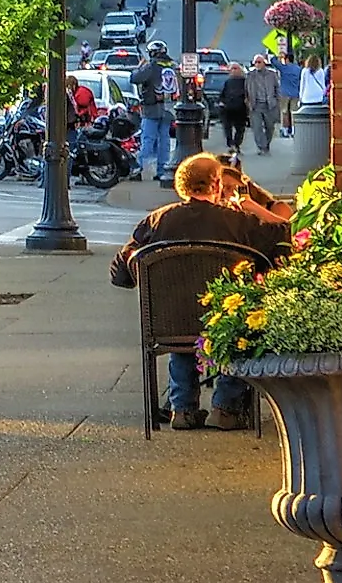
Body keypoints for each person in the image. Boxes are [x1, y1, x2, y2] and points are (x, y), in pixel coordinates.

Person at [110, 153, 290, 430]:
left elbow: (121, 270)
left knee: (181, 316)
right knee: (237, 327)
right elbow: (284, 234)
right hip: (224, 320)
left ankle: (182, 409)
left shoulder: (157, 220)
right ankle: (226, 407)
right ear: (216, 183)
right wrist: (250, 206)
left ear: (181, 186)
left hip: (170, 318)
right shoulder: (238, 222)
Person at [128, 43, 173, 182]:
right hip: (169, 108)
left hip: (152, 109)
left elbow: (134, 78)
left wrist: (140, 66)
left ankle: (138, 168)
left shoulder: (151, 66)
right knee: (164, 141)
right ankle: (162, 170)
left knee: (147, 140)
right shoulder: (172, 65)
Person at [244, 55, 281, 155]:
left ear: (264, 63)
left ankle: (266, 144)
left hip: (269, 104)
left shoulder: (272, 74)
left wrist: (277, 100)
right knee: (257, 127)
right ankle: (262, 147)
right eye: (255, 62)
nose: (257, 64)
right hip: (255, 105)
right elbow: (246, 90)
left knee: (270, 127)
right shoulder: (250, 75)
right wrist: (248, 102)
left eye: (259, 62)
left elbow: (277, 88)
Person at [216, 61, 250, 158]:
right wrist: (221, 102)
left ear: (240, 70)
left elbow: (249, 93)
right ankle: (231, 144)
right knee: (227, 127)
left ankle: (236, 144)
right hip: (228, 108)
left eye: (236, 68)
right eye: (232, 69)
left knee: (240, 128)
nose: (234, 71)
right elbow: (222, 94)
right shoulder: (227, 82)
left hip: (241, 108)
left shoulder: (245, 81)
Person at [277, 49, 302, 135]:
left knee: (284, 111)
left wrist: (279, 56)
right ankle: (294, 130)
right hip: (295, 93)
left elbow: (273, 61)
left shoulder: (284, 68)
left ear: (287, 59)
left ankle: (285, 130)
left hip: (284, 93)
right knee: (293, 112)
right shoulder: (298, 69)